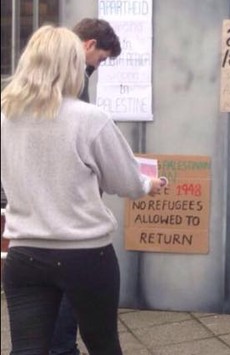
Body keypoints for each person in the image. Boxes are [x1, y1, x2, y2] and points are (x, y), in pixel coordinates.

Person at [1, 25, 164, 354]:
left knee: (27, 350)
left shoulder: (6, 117)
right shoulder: (90, 119)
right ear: (72, 65)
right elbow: (125, 181)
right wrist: (149, 184)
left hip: (24, 254)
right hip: (86, 254)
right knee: (103, 345)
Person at [48, 18, 122, 355]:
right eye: (101, 58)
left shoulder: (29, 90)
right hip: (71, 217)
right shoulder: (76, 81)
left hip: (37, 226)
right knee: (72, 298)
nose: (98, 66)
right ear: (88, 45)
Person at [73, 18, 122, 103]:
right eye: (100, 59)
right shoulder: (77, 77)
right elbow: (82, 115)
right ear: (90, 45)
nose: (95, 67)